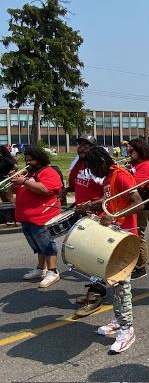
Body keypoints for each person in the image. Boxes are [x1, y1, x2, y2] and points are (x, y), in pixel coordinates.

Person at [84, 146, 143, 354]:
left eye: (92, 167)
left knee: (122, 285)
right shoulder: (108, 178)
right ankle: (118, 320)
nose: (92, 172)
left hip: (125, 238)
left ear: (101, 162)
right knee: (114, 282)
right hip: (114, 237)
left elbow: (138, 203)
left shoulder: (121, 176)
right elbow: (112, 202)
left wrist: (115, 215)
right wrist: (93, 205)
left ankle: (128, 331)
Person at [60, 134, 107, 317]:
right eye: (79, 145)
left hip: (98, 217)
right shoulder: (79, 164)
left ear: (94, 148)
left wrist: (91, 206)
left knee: (95, 258)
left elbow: (110, 194)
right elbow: (75, 185)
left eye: (86, 145)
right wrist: (65, 190)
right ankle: (93, 290)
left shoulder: (100, 167)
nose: (81, 148)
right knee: (85, 257)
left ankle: (96, 295)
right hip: (82, 216)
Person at [11, 146, 63, 287]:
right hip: (27, 218)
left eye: (31, 160)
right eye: (26, 160)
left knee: (47, 244)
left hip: (42, 216)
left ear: (39, 159)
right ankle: (41, 269)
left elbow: (46, 190)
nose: (28, 163)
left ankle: (53, 271)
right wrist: (14, 182)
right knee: (38, 245)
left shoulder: (48, 172)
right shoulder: (28, 174)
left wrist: (24, 182)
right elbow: (16, 191)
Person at [125, 138, 149, 279]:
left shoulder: (146, 166)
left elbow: (134, 184)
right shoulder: (133, 164)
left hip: (142, 206)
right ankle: (131, 263)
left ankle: (141, 266)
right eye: (128, 150)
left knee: (139, 235)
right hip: (131, 205)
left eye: (131, 150)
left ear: (140, 150)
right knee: (131, 234)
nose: (129, 153)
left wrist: (125, 174)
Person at [0, 145, 17, 225]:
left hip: (5, 181)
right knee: (3, 201)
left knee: (8, 200)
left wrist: (11, 173)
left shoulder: (7, 160)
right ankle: (5, 218)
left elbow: (15, 167)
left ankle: (11, 218)